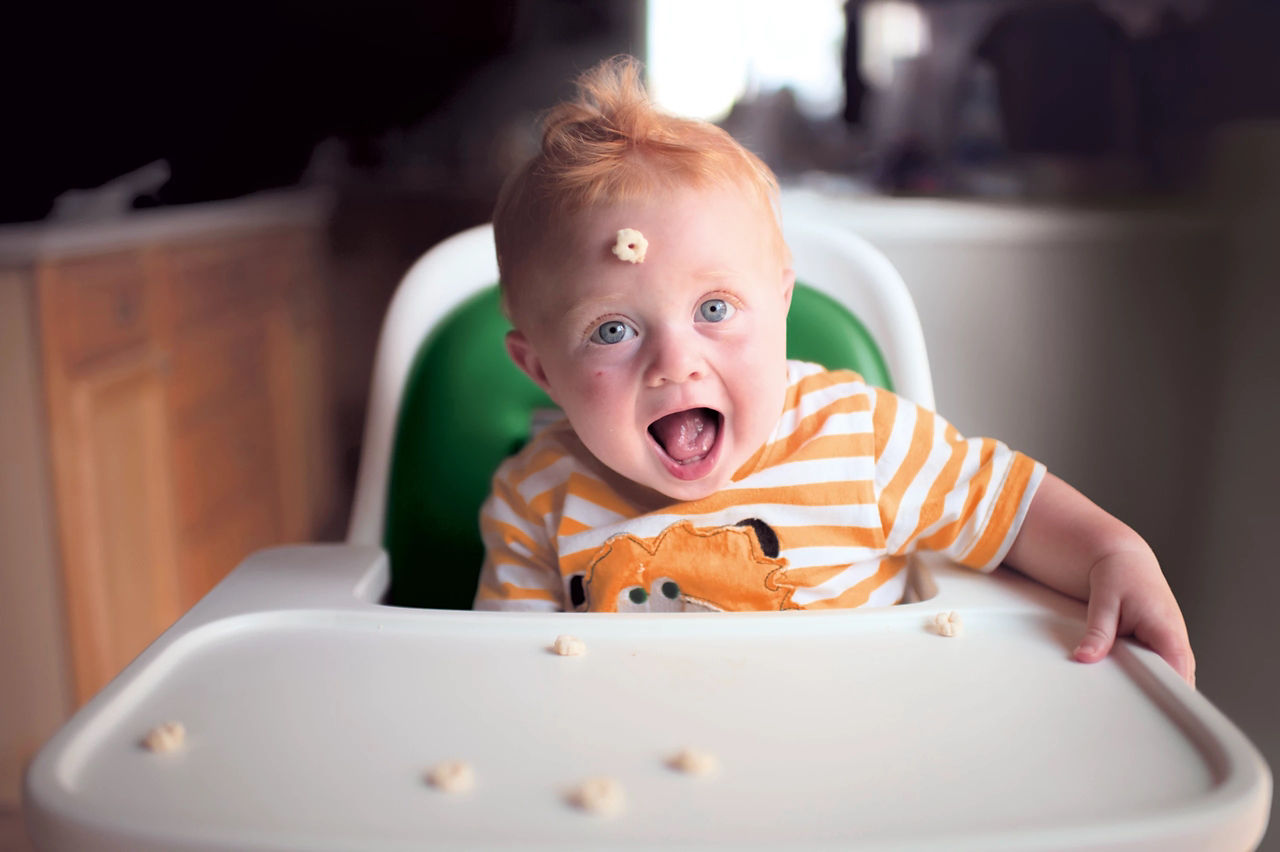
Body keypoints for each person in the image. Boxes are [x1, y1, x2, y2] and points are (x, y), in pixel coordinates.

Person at [472, 56, 1195, 686]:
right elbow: (519, 689)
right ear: (539, 368)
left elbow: (1005, 505)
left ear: (781, 301)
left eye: (715, 309)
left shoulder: (859, 440)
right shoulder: (536, 499)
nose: (676, 364)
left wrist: (1112, 554)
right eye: (613, 329)